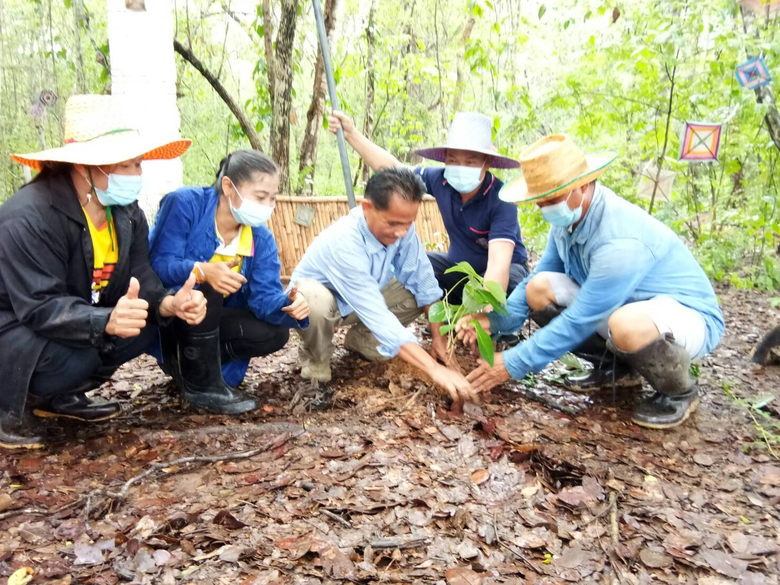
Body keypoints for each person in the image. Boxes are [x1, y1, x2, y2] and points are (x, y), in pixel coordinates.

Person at [458, 134, 725, 429]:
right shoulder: (567, 222)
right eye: (540, 201)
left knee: (626, 324)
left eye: (552, 199)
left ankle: (679, 391)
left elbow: (580, 319)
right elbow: (537, 279)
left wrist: (515, 362)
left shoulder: (618, 240)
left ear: (582, 185)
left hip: (685, 316)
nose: (545, 208)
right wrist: (495, 322)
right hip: (624, 308)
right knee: (539, 289)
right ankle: (616, 369)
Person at [0, 94, 205, 450]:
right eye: (124, 165)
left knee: (144, 323)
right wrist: (104, 321)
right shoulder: (30, 216)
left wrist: (169, 303)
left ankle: (61, 398)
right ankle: (10, 408)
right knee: (80, 354)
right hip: (16, 325)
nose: (135, 175)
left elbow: (140, 273)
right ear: (83, 166)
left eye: (138, 164)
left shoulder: (125, 213)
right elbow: (39, 305)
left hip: (75, 316)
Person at [290, 167, 477, 404]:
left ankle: (363, 341)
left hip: (362, 300)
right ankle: (315, 367)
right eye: (393, 223)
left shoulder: (403, 229)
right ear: (367, 207)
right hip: (322, 305)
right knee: (313, 299)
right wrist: (434, 369)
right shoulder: (344, 241)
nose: (401, 232)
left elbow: (424, 281)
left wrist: (439, 339)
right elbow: (376, 313)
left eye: (408, 223)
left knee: (416, 291)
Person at [148, 150, 310, 414]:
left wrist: (291, 302)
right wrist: (201, 271)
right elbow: (159, 263)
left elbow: (264, 299)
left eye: (272, 198)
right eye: (260, 196)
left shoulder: (261, 239)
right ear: (228, 186)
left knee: (275, 333)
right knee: (210, 286)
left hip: (216, 322)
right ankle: (196, 378)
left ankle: (194, 368)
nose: (268, 205)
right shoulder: (185, 204)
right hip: (173, 313)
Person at [327, 111, 529, 305]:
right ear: (445, 159)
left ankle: (499, 323)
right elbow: (393, 170)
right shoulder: (439, 180)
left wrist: (484, 314)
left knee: (509, 282)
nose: (460, 167)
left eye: (470, 162)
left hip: (502, 275)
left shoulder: (502, 199)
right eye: (453, 160)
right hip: (458, 272)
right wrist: (351, 134)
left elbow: (498, 265)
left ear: (487, 163)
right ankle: (418, 311)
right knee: (419, 266)